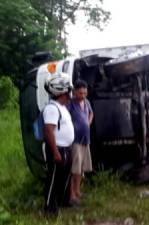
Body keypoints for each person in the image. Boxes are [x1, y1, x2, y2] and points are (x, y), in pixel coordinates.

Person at [43, 72, 74, 214]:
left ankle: (63, 202)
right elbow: (49, 131)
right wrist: (55, 152)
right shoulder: (51, 108)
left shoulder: (62, 107)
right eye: (69, 91)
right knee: (54, 179)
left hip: (66, 148)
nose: (70, 94)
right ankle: (50, 209)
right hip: (58, 150)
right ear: (61, 92)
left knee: (64, 178)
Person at [67, 80, 94, 206]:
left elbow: (91, 113)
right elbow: (65, 118)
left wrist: (88, 122)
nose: (83, 96)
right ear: (74, 92)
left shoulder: (86, 102)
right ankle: (71, 195)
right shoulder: (70, 103)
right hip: (75, 140)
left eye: (85, 93)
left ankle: (78, 191)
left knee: (81, 169)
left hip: (85, 139)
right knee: (75, 169)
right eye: (80, 93)